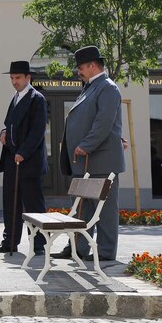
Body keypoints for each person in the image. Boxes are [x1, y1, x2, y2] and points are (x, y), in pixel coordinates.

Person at [51, 45, 124, 262]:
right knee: (83, 208)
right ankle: (78, 248)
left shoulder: (107, 88)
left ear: (92, 66)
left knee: (106, 210)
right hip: (86, 162)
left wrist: (86, 145)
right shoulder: (91, 87)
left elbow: (103, 123)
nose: (78, 72)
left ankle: (106, 252)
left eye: (81, 67)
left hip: (100, 160)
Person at [0, 61, 48, 255]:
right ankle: (10, 241)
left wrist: (23, 152)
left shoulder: (37, 99)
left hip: (29, 161)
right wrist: (3, 132)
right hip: (11, 159)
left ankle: (39, 244)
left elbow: (38, 131)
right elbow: (10, 125)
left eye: (18, 78)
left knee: (34, 205)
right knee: (10, 202)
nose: (14, 82)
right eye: (12, 78)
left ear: (27, 78)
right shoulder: (15, 98)